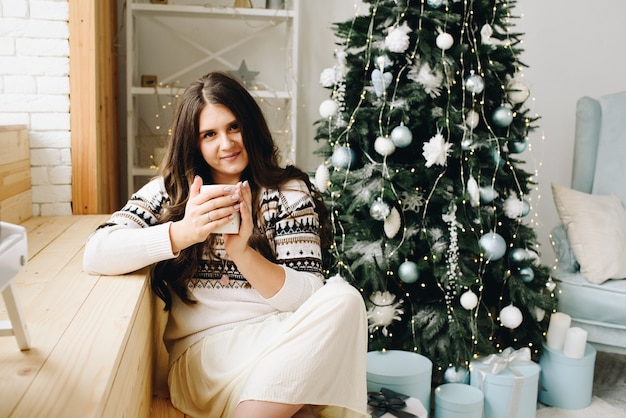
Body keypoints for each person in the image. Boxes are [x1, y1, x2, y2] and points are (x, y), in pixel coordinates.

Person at [83, 71, 369, 418]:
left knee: (345, 299)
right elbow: (97, 252)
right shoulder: (170, 191)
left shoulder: (288, 192)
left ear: (250, 126)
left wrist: (242, 252)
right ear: (194, 143)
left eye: (234, 127)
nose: (227, 143)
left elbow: (310, 294)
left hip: (280, 343)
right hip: (204, 356)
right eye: (209, 134)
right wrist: (183, 232)